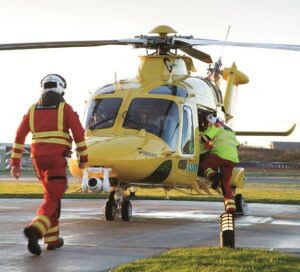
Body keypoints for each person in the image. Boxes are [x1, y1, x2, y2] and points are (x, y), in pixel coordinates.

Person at [10, 74, 88, 256]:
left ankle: (52, 240)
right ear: (61, 89)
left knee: (51, 198)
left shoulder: (32, 110)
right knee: (52, 199)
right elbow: (79, 134)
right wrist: (84, 158)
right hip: (55, 160)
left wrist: (15, 163)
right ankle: (35, 231)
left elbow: (19, 136)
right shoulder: (65, 108)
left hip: (38, 160)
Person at [199, 114, 240, 213]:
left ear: (212, 121)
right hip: (232, 159)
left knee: (204, 164)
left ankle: (213, 176)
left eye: (208, 123)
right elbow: (237, 145)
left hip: (220, 155)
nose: (208, 125)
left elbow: (205, 137)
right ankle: (230, 207)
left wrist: (202, 140)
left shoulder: (215, 126)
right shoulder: (230, 131)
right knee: (225, 182)